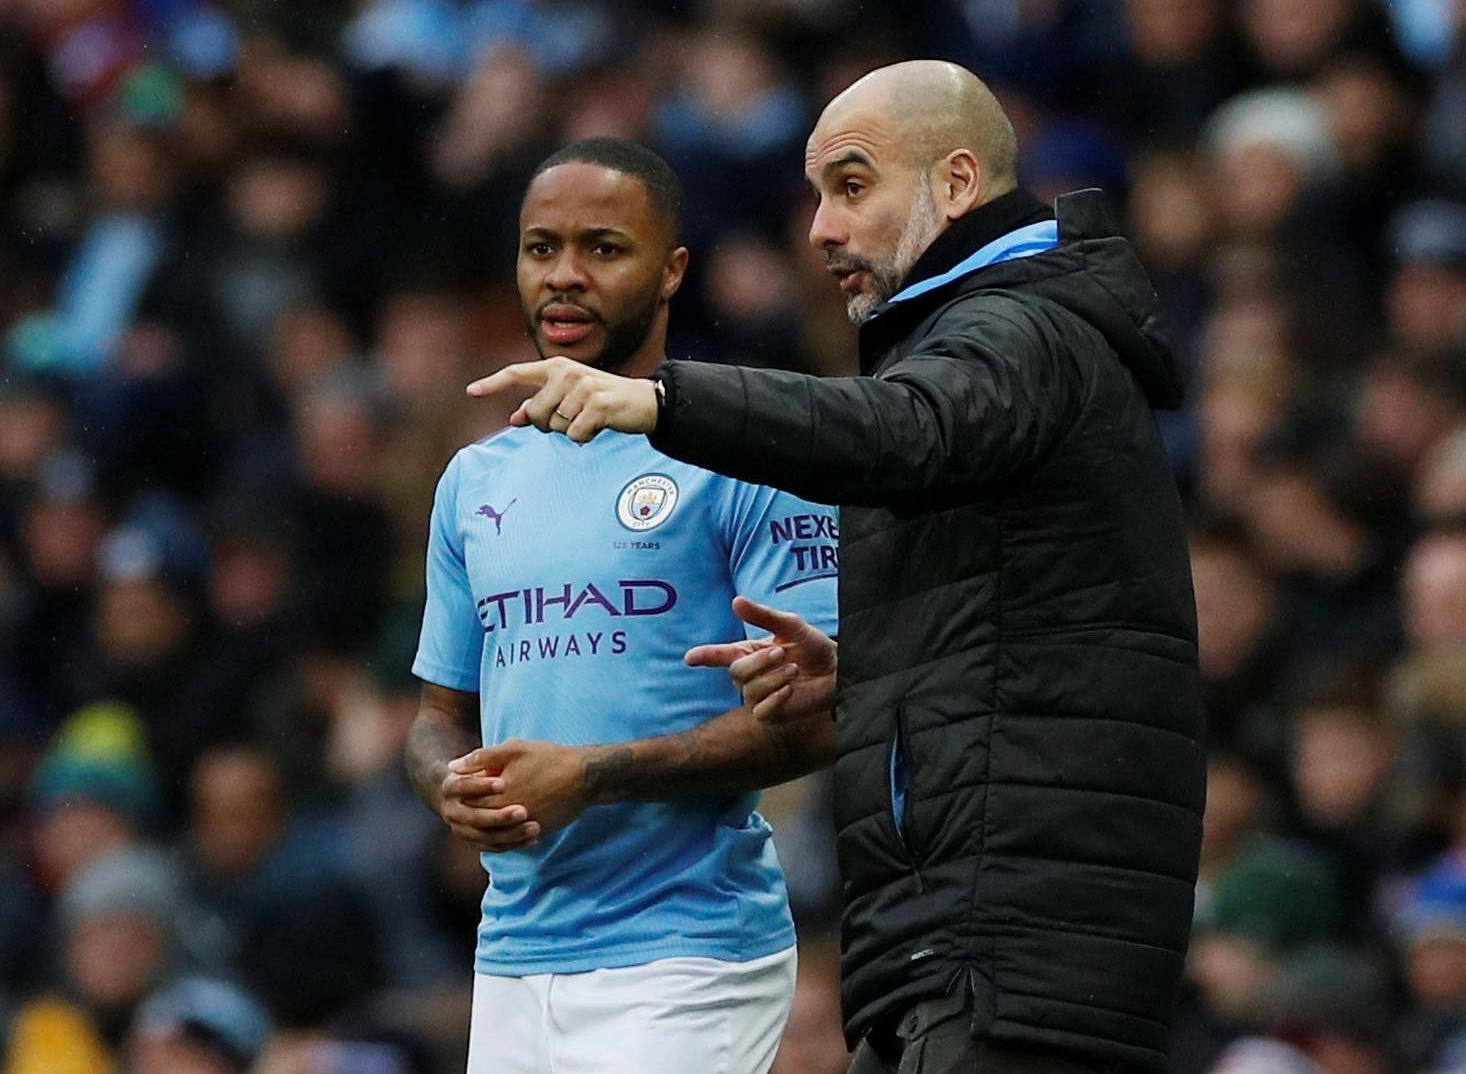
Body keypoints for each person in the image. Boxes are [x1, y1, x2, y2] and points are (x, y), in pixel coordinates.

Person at [468, 62, 1206, 1073]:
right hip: (959, 936)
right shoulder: (990, 335)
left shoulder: (1025, 327)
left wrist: (659, 403)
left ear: (953, 183)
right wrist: (857, 677)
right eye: (817, 193)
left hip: (1015, 943)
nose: (818, 227)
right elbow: (1012, 639)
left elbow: (909, 429)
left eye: (851, 187)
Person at [404, 137, 839, 1074]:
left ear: (673, 269)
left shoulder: (749, 451)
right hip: (515, 954)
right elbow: (438, 718)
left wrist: (593, 775)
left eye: (604, 248)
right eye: (540, 248)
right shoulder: (473, 482)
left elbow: (822, 720)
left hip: (689, 948)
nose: (564, 277)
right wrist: (448, 783)